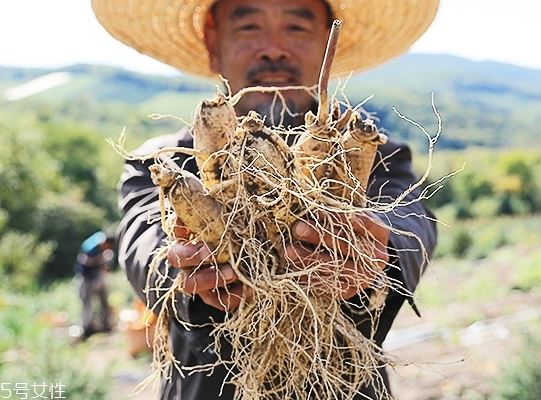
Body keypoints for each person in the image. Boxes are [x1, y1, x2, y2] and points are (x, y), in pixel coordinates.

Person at [93, 0, 439, 398]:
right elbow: (142, 242)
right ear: (212, 40)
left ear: (330, 41)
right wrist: (187, 269)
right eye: (249, 27)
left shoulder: (373, 151)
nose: (274, 48)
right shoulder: (161, 163)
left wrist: (377, 253)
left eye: (296, 27)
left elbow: (412, 223)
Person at [74, 230, 115, 338]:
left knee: (104, 301)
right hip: (87, 279)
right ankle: (88, 329)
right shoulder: (91, 249)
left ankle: (105, 325)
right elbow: (87, 264)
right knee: (87, 304)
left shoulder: (105, 249)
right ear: (105, 243)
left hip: (98, 278)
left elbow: (106, 267)